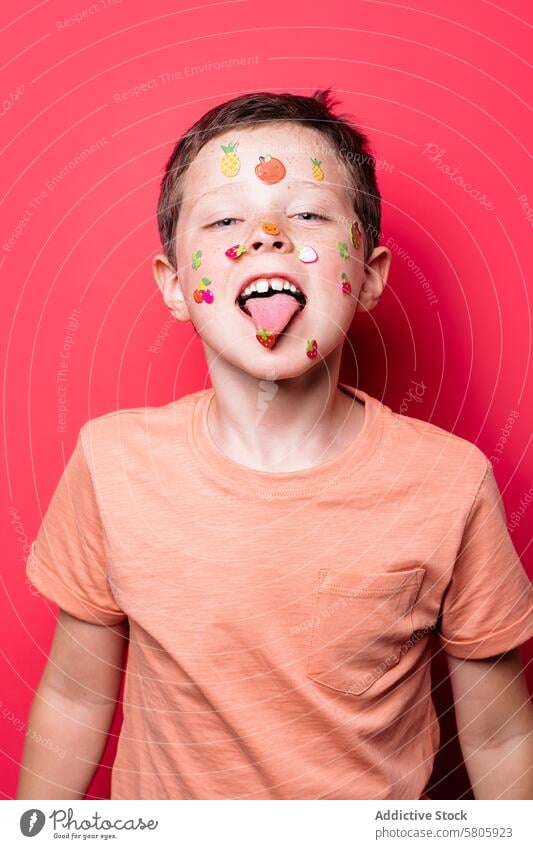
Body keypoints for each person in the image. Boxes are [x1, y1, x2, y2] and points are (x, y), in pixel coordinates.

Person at [18, 89, 533, 801]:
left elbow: (500, 735)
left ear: (370, 276)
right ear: (175, 287)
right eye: (227, 217)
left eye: (307, 214)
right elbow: (75, 699)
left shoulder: (448, 482)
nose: (266, 235)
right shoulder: (112, 464)